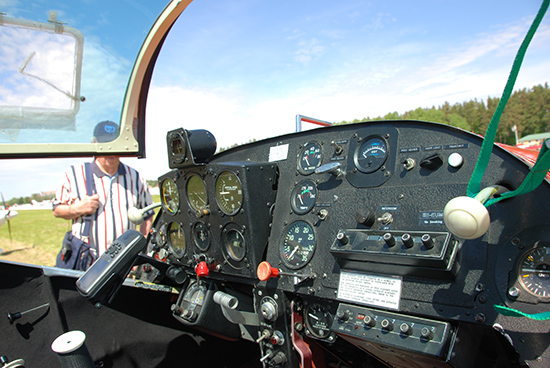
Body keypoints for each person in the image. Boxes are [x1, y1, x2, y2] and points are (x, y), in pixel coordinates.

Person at [52, 120, 153, 269]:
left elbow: (147, 214)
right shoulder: (74, 174)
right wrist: (77, 209)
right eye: (105, 143)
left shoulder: (135, 177)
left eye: (115, 142)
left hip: (122, 263)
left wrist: (139, 251)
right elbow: (56, 209)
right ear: (94, 143)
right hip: (85, 261)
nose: (111, 149)